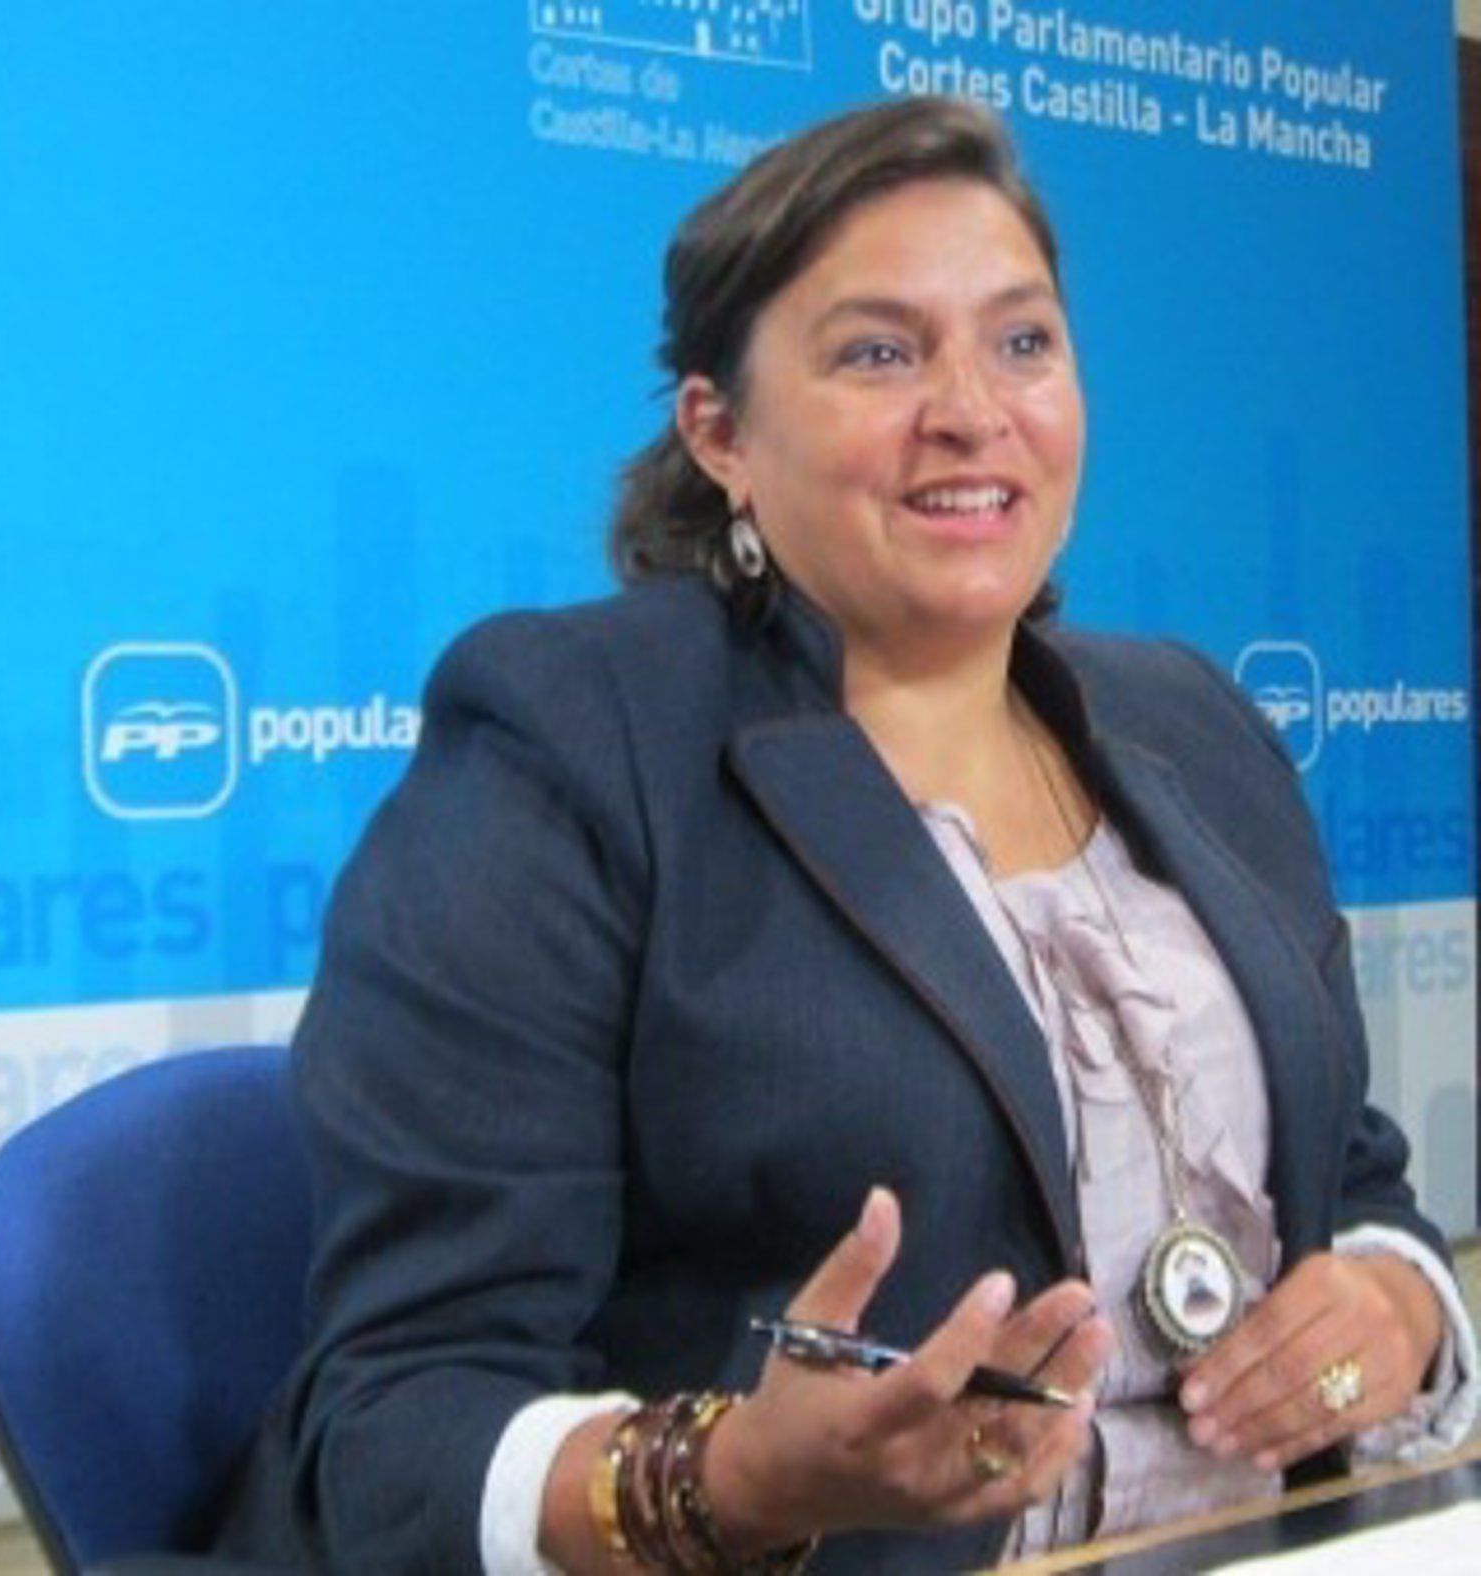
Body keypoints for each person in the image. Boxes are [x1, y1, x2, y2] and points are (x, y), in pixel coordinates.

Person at [219, 96, 1476, 1572]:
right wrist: (728, 1480)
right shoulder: (569, 746)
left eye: (1023, 342)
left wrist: (1398, 1301)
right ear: (720, 436)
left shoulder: (1194, 725)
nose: (972, 410)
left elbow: (1355, 1183)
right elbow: (393, 1426)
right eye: (880, 353)